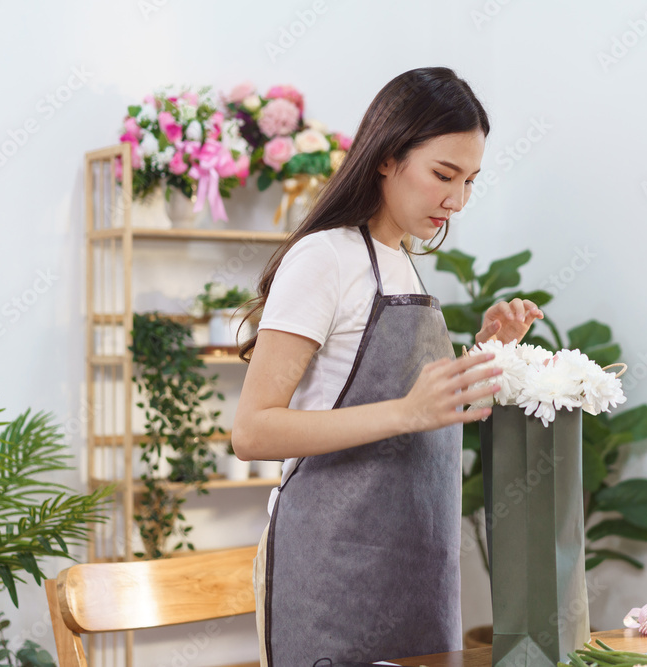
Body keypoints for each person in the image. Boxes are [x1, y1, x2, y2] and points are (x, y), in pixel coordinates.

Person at [233, 66, 543, 667]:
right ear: (385, 156)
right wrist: (407, 411)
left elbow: (418, 415)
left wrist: (485, 354)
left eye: (471, 180)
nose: (457, 200)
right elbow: (252, 431)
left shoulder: (401, 262)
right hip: (334, 570)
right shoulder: (324, 258)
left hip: (419, 563)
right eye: (443, 175)